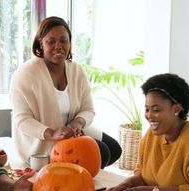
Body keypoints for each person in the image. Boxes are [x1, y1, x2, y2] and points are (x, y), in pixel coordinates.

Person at [10, 16, 121, 169]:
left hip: (71, 131)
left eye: (63, 40)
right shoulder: (24, 74)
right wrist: (52, 133)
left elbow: (88, 110)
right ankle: (74, 174)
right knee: (102, 153)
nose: (58, 46)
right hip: (44, 140)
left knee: (114, 149)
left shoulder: (76, 70)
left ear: (69, 42)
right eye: (51, 41)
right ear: (41, 43)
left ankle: (79, 172)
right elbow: (22, 120)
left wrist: (77, 123)